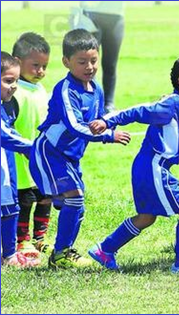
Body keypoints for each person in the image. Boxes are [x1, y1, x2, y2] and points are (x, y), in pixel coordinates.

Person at [87, 52, 179, 277]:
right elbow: (137, 111)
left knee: (146, 217)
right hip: (154, 167)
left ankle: (104, 250)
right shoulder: (170, 105)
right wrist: (107, 121)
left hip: (151, 168)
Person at [28, 29, 131, 268]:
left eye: (94, 61)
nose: (90, 67)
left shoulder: (95, 89)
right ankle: (58, 252)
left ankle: (63, 250)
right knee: (74, 197)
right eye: (82, 62)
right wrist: (109, 136)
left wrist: (117, 121)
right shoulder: (66, 89)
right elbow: (75, 126)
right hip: (50, 153)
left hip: (71, 158)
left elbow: (100, 119)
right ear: (66, 62)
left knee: (75, 204)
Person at [7, 32, 53, 258]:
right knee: (25, 201)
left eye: (44, 66)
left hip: (42, 158)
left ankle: (40, 238)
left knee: (46, 198)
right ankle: (22, 240)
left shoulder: (41, 89)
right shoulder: (13, 91)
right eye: (35, 65)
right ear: (17, 62)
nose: (41, 71)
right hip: (20, 160)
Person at [1, 51, 40, 268]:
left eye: (16, 80)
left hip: (7, 167)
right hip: (3, 173)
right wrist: (33, 148)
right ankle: (9, 256)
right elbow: (5, 136)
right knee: (8, 209)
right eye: (8, 81)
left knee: (10, 207)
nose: (14, 86)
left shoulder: (5, 106)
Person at [75, 1, 124, 113]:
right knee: (88, 63)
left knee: (110, 64)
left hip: (115, 16)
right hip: (91, 14)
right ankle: (90, 102)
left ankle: (109, 104)